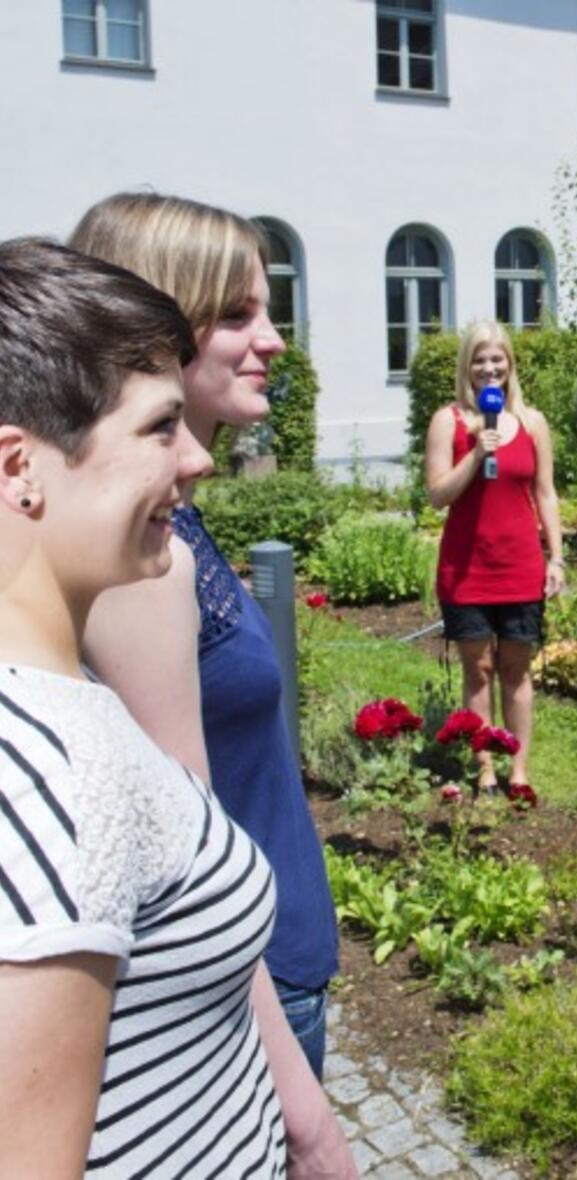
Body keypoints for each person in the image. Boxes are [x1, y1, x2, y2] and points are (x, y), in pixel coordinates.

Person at [0, 237, 294, 1175]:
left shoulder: (60, 703)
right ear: (19, 469)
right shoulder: (57, 781)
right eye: (160, 427)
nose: (197, 460)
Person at [67, 194, 341, 1082]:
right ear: (161, 328)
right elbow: (189, 867)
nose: (273, 340)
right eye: (236, 315)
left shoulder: (177, 526)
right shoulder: (144, 560)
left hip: (276, 966)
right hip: (247, 998)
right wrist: (306, 1120)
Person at [424, 320, 564, 793]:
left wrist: (557, 558)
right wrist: (473, 455)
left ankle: (519, 770)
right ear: (467, 365)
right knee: (478, 669)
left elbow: (546, 494)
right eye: (480, 359)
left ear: (510, 364)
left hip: (520, 566)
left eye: (497, 358)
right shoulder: (450, 421)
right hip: (466, 569)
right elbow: (437, 495)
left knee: (516, 668)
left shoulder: (532, 422)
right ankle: (484, 768)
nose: (489, 368)